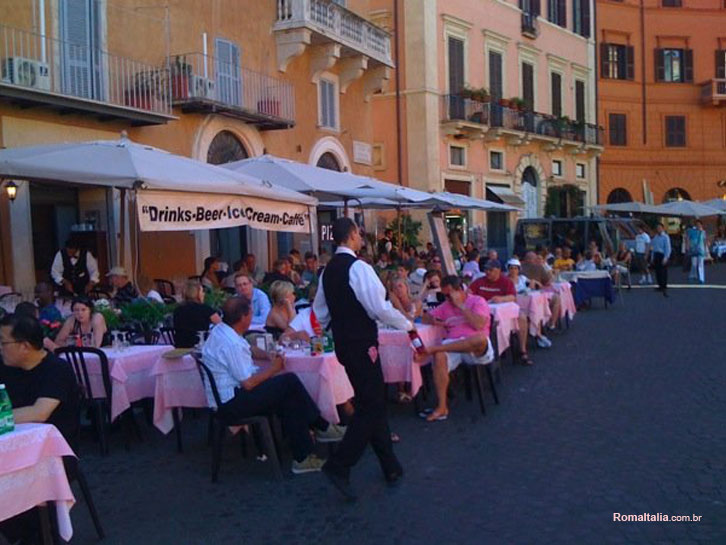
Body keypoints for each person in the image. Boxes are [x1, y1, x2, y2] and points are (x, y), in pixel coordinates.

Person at [313, 217, 412, 499]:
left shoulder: (328, 270)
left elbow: (320, 312)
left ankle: (390, 465)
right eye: (359, 234)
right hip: (361, 344)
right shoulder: (359, 267)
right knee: (371, 405)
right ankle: (339, 464)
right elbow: (379, 307)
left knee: (373, 402)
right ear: (353, 235)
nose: (361, 238)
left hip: (344, 344)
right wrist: (407, 324)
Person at [201, 296, 345, 475]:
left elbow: (248, 348)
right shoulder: (230, 344)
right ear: (244, 317)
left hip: (228, 397)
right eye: (251, 313)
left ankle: (304, 456)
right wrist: (274, 369)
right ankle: (321, 428)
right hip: (231, 403)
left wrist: (267, 356)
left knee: (288, 395)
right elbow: (248, 383)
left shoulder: (222, 330)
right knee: (289, 381)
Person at [0, 314, 80, 545]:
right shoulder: (6, 368)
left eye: (3, 342)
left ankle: (36, 534)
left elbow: (39, 413)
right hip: (10, 449)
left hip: (52, 456)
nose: (1, 348)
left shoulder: (56, 370)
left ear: (24, 346)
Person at [420, 275, 495, 421]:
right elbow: (424, 317)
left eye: (449, 295)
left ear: (460, 290)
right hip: (454, 346)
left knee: (479, 339)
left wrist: (461, 306)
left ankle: (434, 349)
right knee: (440, 355)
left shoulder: (477, 301)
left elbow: (479, 325)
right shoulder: (446, 306)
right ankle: (442, 406)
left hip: (476, 348)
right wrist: (434, 320)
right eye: (444, 296)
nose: (447, 299)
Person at [472, 260, 542, 358]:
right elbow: (468, 294)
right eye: (486, 269)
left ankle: (522, 350)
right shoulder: (479, 282)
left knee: (521, 317)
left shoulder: (506, 282)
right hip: (481, 313)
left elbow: (513, 297)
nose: (487, 272)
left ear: (498, 271)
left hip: (503, 313)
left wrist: (502, 299)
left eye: (490, 270)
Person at [173, 280, 222, 348]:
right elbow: (221, 325)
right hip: (199, 347)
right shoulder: (205, 309)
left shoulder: (177, 310)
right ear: (197, 294)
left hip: (180, 348)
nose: (204, 294)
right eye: (202, 291)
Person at [521, 251, 560, 330]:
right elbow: (547, 282)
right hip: (537, 294)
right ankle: (551, 324)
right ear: (532, 259)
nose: (536, 260)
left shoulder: (519, 268)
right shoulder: (539, 267)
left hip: (522, 296)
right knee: (557, 298)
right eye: (535, 258)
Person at [651, 223, 672, 296]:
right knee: (657, 271)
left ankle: (664, 286)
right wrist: (652, 257)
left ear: (663, 228)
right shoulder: (655, 237)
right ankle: (659, 285)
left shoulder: (665, 237)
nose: (658, 229)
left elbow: (668, 248)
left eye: (660, 228)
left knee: (663, 271)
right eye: (657, 228)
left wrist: (666, 257)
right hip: (656, 255)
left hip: (662, 255)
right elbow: (653, 248)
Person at [685, 220, 707, 284]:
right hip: (693, 249)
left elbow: (704, 241)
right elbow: (688, 238)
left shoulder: (703, 232)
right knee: (694, 264)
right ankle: (693, 275)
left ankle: (701, 278)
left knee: (700, 264)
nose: (698, 225)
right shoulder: (691, 231)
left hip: (701, 250)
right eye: (697, 224)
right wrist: (687, 247)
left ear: (701, 225)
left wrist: (705, 250)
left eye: (699, 224)